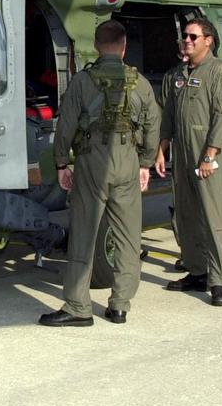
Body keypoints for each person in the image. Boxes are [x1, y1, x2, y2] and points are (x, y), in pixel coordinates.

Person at [40, 20, 157, 327]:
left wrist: (62, 163)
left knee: (84, 231)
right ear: (124, 46)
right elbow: (152, 124)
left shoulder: (82, 81)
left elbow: (65, 124)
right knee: (128, 236)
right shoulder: (140, 82)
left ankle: (79, 306)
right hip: (128, 160)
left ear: (96, 45)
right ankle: (120, 305)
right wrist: (145, 163)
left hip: (93, 161)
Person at [155, 17, 222, 307]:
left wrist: (210, 154)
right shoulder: (179, 73)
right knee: (186, 215)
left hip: (206, 156)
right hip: (182, 154)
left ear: (208, 40)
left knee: (213, 219)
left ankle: (218, 280)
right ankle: (196, 271)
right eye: (185, 37)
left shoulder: (221, 73)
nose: (187, 41)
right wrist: (162, 146)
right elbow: (168, 112)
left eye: (193, 37)